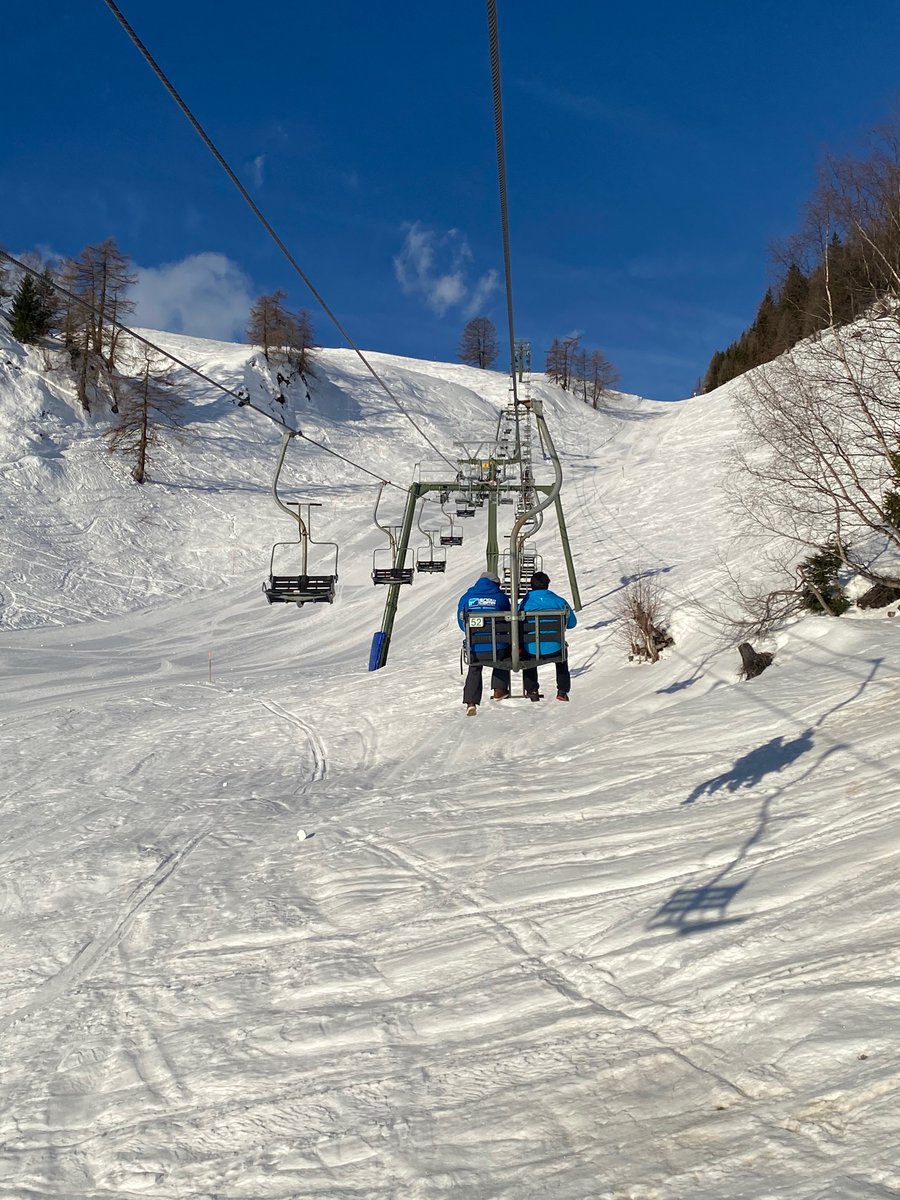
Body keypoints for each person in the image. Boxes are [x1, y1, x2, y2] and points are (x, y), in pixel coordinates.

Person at [457, 570, 512, 716]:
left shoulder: (466, 598)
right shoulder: (501, 598)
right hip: (498, 646)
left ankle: (471, 702)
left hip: (475, 647)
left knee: (475, 668)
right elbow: (509, 620)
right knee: (503, 656)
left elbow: (462, 622)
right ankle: (499, 689)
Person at [519, 570, 577, 701]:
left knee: (527, 652)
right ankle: (562, 690)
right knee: (562, 655)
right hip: (555, 648)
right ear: (547, 585)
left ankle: (532, 689)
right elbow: (572, 623)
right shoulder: (559, 601)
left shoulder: (524, 604)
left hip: (532, 649)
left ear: (531, 586)